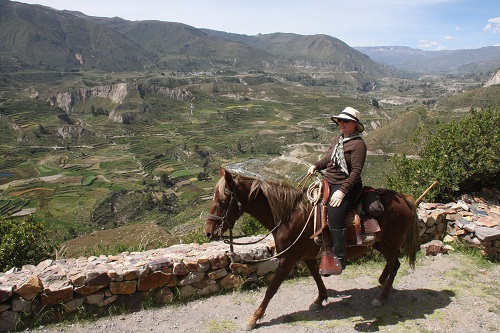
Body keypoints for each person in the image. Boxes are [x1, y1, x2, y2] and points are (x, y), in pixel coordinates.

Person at [307, 107, 367, 275]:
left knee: (334, 213)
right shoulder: (336, 140)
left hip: (348, 186)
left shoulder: (358, 145)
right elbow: (328, 160)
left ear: (354, 124)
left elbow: (356, 172)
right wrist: (316, 165)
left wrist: (342, 192)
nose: (340, 123)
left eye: (345, 121)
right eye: (339, 121)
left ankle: (340, 257)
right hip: (329, 182)